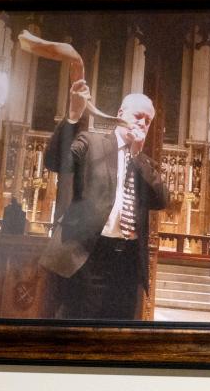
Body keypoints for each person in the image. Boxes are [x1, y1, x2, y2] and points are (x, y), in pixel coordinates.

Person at [30, 35, 168, 320]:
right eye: (138, 115)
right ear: (120, 114)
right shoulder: (91, 142)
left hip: (127, 263)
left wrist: (137, 155)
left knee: (117, 340)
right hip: (87, 257)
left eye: (148, 120)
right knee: (76, 332)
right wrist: (72, 116)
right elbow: (56, 161)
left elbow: (161, 200)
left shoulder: (145, 164)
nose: (143, 122)